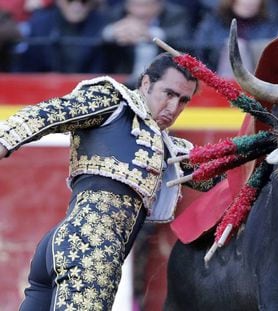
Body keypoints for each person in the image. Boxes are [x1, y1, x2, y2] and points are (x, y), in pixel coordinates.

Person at [0, 52, 218, 310]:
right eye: (168, 94)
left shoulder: (167, 149)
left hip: (67, 243)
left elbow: (215, 175)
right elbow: (46, 114)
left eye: (183, 101)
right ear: (146, 83)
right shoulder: (115, 102)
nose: (173, 108)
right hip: (92, 245)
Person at [102, 0, 193, 86]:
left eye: (146, 5)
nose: (140, 12)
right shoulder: (117, 13)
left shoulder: (176, 14)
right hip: (124, 80)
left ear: (159, 5)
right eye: (135, 5)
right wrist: (114, 32)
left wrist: (149, 34)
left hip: (163, 79)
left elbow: (181, 36)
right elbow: (100, 35)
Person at [11, 0, 109, 73]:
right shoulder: (39, 24)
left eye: (84, 0)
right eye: (70, 0)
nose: (77, 5)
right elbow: (25, 69)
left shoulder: (104, 25)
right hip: (45, 91)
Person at [192, 0, 278, 79]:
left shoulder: (270, 26)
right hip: (216, 82)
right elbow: (200, 53)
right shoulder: (212, 23)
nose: (249, 2)